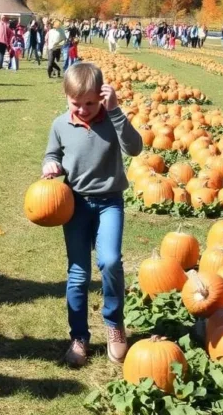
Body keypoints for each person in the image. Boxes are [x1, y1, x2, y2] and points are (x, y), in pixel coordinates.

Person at [41, 63, 143, 367]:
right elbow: (52, 153)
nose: (84, 109)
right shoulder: (60, 125)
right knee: (78, 273)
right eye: (77, 103)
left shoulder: (112, 120)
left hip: (110, 202)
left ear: (102, 96)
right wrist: (50, 165)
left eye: (90, 103)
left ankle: (114, 325)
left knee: (110, 261)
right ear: (66, 96)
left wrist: (114, 111)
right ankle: (79, 336)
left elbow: (134, 148)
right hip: (76, 205)